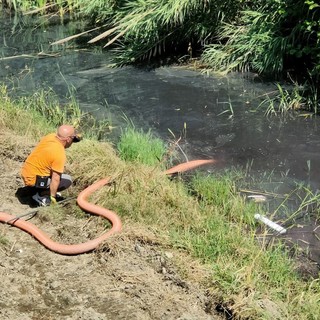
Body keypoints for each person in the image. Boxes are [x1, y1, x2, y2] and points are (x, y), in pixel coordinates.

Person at [21, 124, 81, 206]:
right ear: (68, 139)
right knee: (67, 180)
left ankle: (41, 189)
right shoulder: (59, 153)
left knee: (56, 174)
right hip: (33, 180)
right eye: (73, 137)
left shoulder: (51, 136)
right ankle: (41, 196)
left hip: (26, 172)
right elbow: (55, 179)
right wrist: (53, 197)